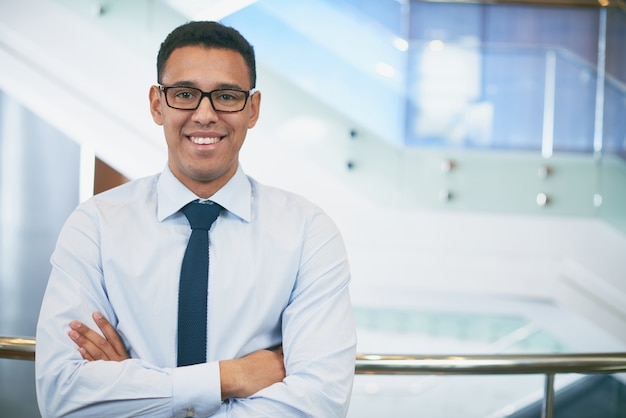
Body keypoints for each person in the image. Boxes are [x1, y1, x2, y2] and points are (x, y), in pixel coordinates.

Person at [35, 21, 357, 417]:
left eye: (226, 96)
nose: (205, 115)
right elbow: (62, 397)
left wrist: (135, 389)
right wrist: (231, 377)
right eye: (185, 94)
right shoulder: (95, 226)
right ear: (157, 104)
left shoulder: (308, 232)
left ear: (252, 109)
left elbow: (318, 405)